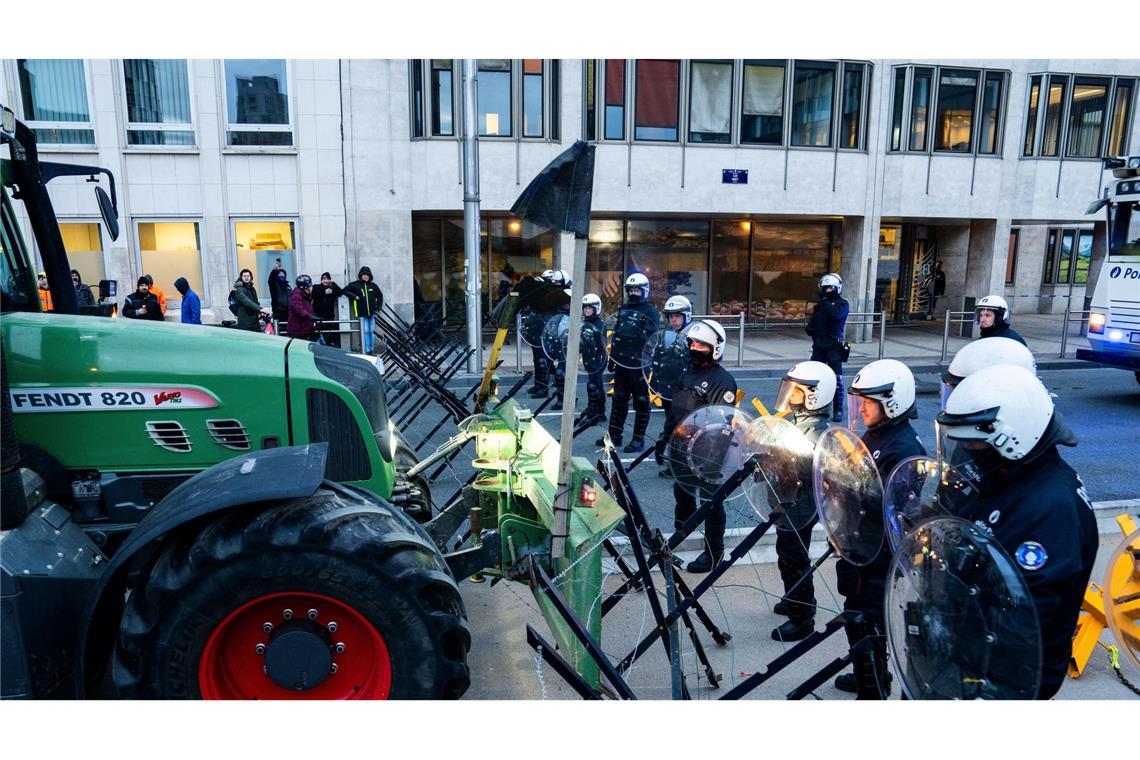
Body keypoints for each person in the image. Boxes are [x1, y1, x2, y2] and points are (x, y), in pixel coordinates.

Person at [936, 364, 1097, 699]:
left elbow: (1027, 612)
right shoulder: (1007, 477)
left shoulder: (1053, 507)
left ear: (1012, 438)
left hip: (1005, 675)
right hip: (969, 650)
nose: (969, 454)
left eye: (975, 445)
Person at [834, 359, 926, 698]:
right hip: (861, 544)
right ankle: (870, 674)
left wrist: (844, 483)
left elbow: (886, 502)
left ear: (892, 403)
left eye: (868, 402)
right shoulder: (878, 434)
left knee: (866, 620)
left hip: (879, 552)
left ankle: (871, 690)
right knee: (858, 615)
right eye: (858, 401)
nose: (861, 408)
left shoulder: (903, 448)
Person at [660, 320, 737, 573]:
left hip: (708, 450)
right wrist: (665, 438)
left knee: (711, 502)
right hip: (682, 446)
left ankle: (714, 553)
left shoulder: (722, 381)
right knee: (682, 492)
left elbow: (723, 425)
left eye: (701, 345)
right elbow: (675, 411)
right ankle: (685, 531)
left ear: (715, 349)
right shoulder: (687, 373)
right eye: (692, 344)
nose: (694, 349)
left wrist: (713, 460)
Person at [769, 360, 836, 641]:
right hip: (788, 501)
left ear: (814, 395)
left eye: (796, 390)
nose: (790, 395)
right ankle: (793, 597)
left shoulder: (817, 432)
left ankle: (802, 618)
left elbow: (808, 468)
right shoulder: (799, 422)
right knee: (786, 554)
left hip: (800, 505)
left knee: (794, 559)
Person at [598, 273, 659, 453]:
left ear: (644, 291)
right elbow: (617, 334)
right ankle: (614, 436)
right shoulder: (624, 308)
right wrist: (612, 357)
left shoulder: (650, 311)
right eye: (631, 290)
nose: (633, 293)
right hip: (622, 362)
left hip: (639, 363)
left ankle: (638, 439)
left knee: (641, 400)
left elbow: (651, 337)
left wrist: (638, 341)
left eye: (637, 290)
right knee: (619, 399)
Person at [940, 336, 1036, 410]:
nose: (982, 319)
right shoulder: (983, 341)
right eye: (981, 316)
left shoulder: (1012, 341)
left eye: (987, 317)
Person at [805, 273, 849, 422]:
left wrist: (824, 303)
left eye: (830, 288)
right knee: (815, 378)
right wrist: (811, 327)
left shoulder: (842, 304)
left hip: (834, 346)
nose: (827, 290)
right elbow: (812, 324)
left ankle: (838, 409)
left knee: (837, 379)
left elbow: (836, 316)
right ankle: (818, 407)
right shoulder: (820, 306)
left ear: (837, 288)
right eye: (825, 288)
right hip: (819, 346)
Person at [527, 269, 567, 398]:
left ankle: (545, 388)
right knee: (538, 359)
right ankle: (539, 385)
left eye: (557, 282)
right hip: (542, 330)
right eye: (553, 282)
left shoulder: (566, 294)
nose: (555, 285)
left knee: (545, 362)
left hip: (556, 332)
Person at [576, 293, 608, 428]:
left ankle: (594, 413)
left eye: (590, 308)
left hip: (598, 359)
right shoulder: (584, 324)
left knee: (593, 385)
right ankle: (598, 410)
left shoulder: (600, 325)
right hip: (588, 358)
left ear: (596, 308)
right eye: (585, 308)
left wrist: (600, 361)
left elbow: (602, 345)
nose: (587, 310)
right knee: (596, 385)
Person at [342, 266, 383, 355]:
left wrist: (378, 307)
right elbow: (345, 290)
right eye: (364, 275)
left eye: (367, 275)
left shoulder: (373, 286)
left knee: (371, 331)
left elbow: (380, 296)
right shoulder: (355, 285)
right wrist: (354, 296)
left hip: (372, 314)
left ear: (370, 276)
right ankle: (367, 350)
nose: (365, 276)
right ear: (361, 275)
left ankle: (372, 350)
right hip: (361, 314)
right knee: (365, 331)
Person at [232, 268, 270, 332]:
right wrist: (260, 309)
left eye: (248, 276)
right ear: (241, 277)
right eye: (244, 276)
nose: (246, 278)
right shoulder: (239, 289)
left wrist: (260, 311)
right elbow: (246, 301)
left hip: (254, 319)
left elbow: (256, 302)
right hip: (245, 319)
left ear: (251, 277)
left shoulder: (252, 288)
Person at [312, 272, 343, 347]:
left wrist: (333, 283)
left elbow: (340, 292)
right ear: (321, 280)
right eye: (324, 279)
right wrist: (324, 292)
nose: (325, 281)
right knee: (318, 334)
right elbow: (313, 293)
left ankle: (328, 347)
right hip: (318, 315)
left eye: (327, 279)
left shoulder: (332, 288)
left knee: (329, 334)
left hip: (329, 316)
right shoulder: (316, 287)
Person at [287, 275, 320, 340]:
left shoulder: (305, 295)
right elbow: (299, 309)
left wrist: (313, 316)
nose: (312, 288)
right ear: (305, 287)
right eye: (310, 286)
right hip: (298, 331)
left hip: (304, 329)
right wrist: (310, 316)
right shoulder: (296, 295)